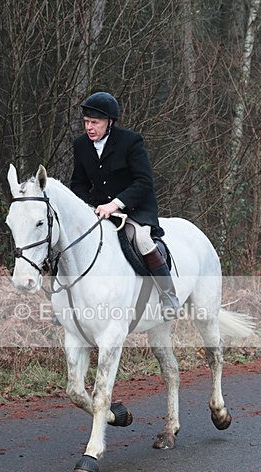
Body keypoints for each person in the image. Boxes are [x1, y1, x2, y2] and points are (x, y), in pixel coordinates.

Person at [70, 91, 180, 318]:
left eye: (95, 123)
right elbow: (78, 184)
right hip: (99, 211)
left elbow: (144, 182)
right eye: (86, 122)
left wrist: (116, 204)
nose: (89, 127)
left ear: (109, 122)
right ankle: (67, 302)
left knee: (142, 239)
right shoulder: (81, 145)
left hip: (135, 209)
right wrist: (88, 206)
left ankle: (168, 296)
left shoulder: (131, 142)